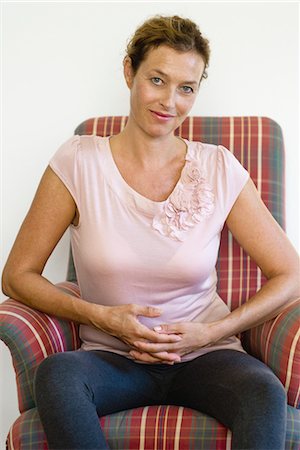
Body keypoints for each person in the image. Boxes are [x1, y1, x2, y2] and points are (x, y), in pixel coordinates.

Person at [2, 14, 299, 450]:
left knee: (263, 392)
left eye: (186, 88)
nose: (169, 102)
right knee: (58, 375)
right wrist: (102, 317)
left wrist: (213, 332)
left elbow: (290, 273)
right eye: (157, 79)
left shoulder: (218, 168)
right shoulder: (77, 163)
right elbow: (17, 275)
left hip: (207, 357)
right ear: (129, 72)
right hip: (111, 361)